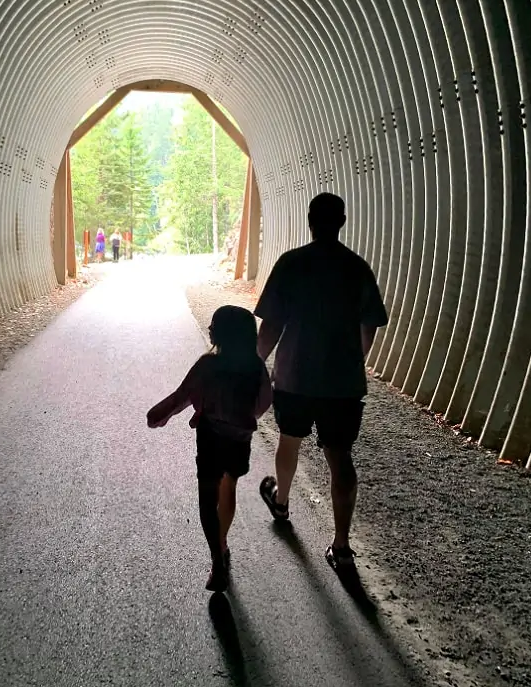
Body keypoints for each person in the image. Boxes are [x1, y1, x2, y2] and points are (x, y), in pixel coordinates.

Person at [254, 193, 388, 573]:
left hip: (295, 376)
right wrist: (353, 361)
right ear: (342, 221)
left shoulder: (292, 264)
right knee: (340, 455)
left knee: (289, 440)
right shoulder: (356, 267)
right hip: (342, 383)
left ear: (309, 219)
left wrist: (256, 362)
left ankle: (281, 501)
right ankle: (342, 547)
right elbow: (370, 325)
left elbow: (272, 325)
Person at [147, 306, 272, 592]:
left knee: (207, 499)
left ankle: (218, 560)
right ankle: (223, 543)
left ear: (218, 333)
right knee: (229, 487)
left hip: (210, 439)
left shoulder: (207, 364)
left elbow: (183, 395)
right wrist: (244, 417)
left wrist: (160, 415)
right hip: (239, 441)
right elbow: (264, 401)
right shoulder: (255, 367)